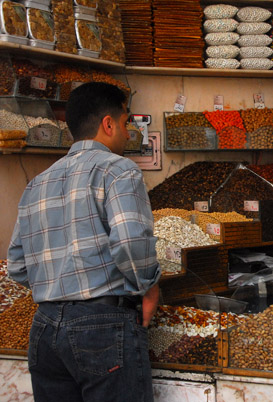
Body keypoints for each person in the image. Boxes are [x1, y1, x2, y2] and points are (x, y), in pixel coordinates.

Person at [7, 82, 160, 402]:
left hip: (45, 329)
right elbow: (131, 243)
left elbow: (18, 265)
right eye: (125, 122)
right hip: (102, 327)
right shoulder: (119, 170)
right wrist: (149, 285)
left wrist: (57, 284)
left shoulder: (37, 183)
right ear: (108, 124)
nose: (129, 132)